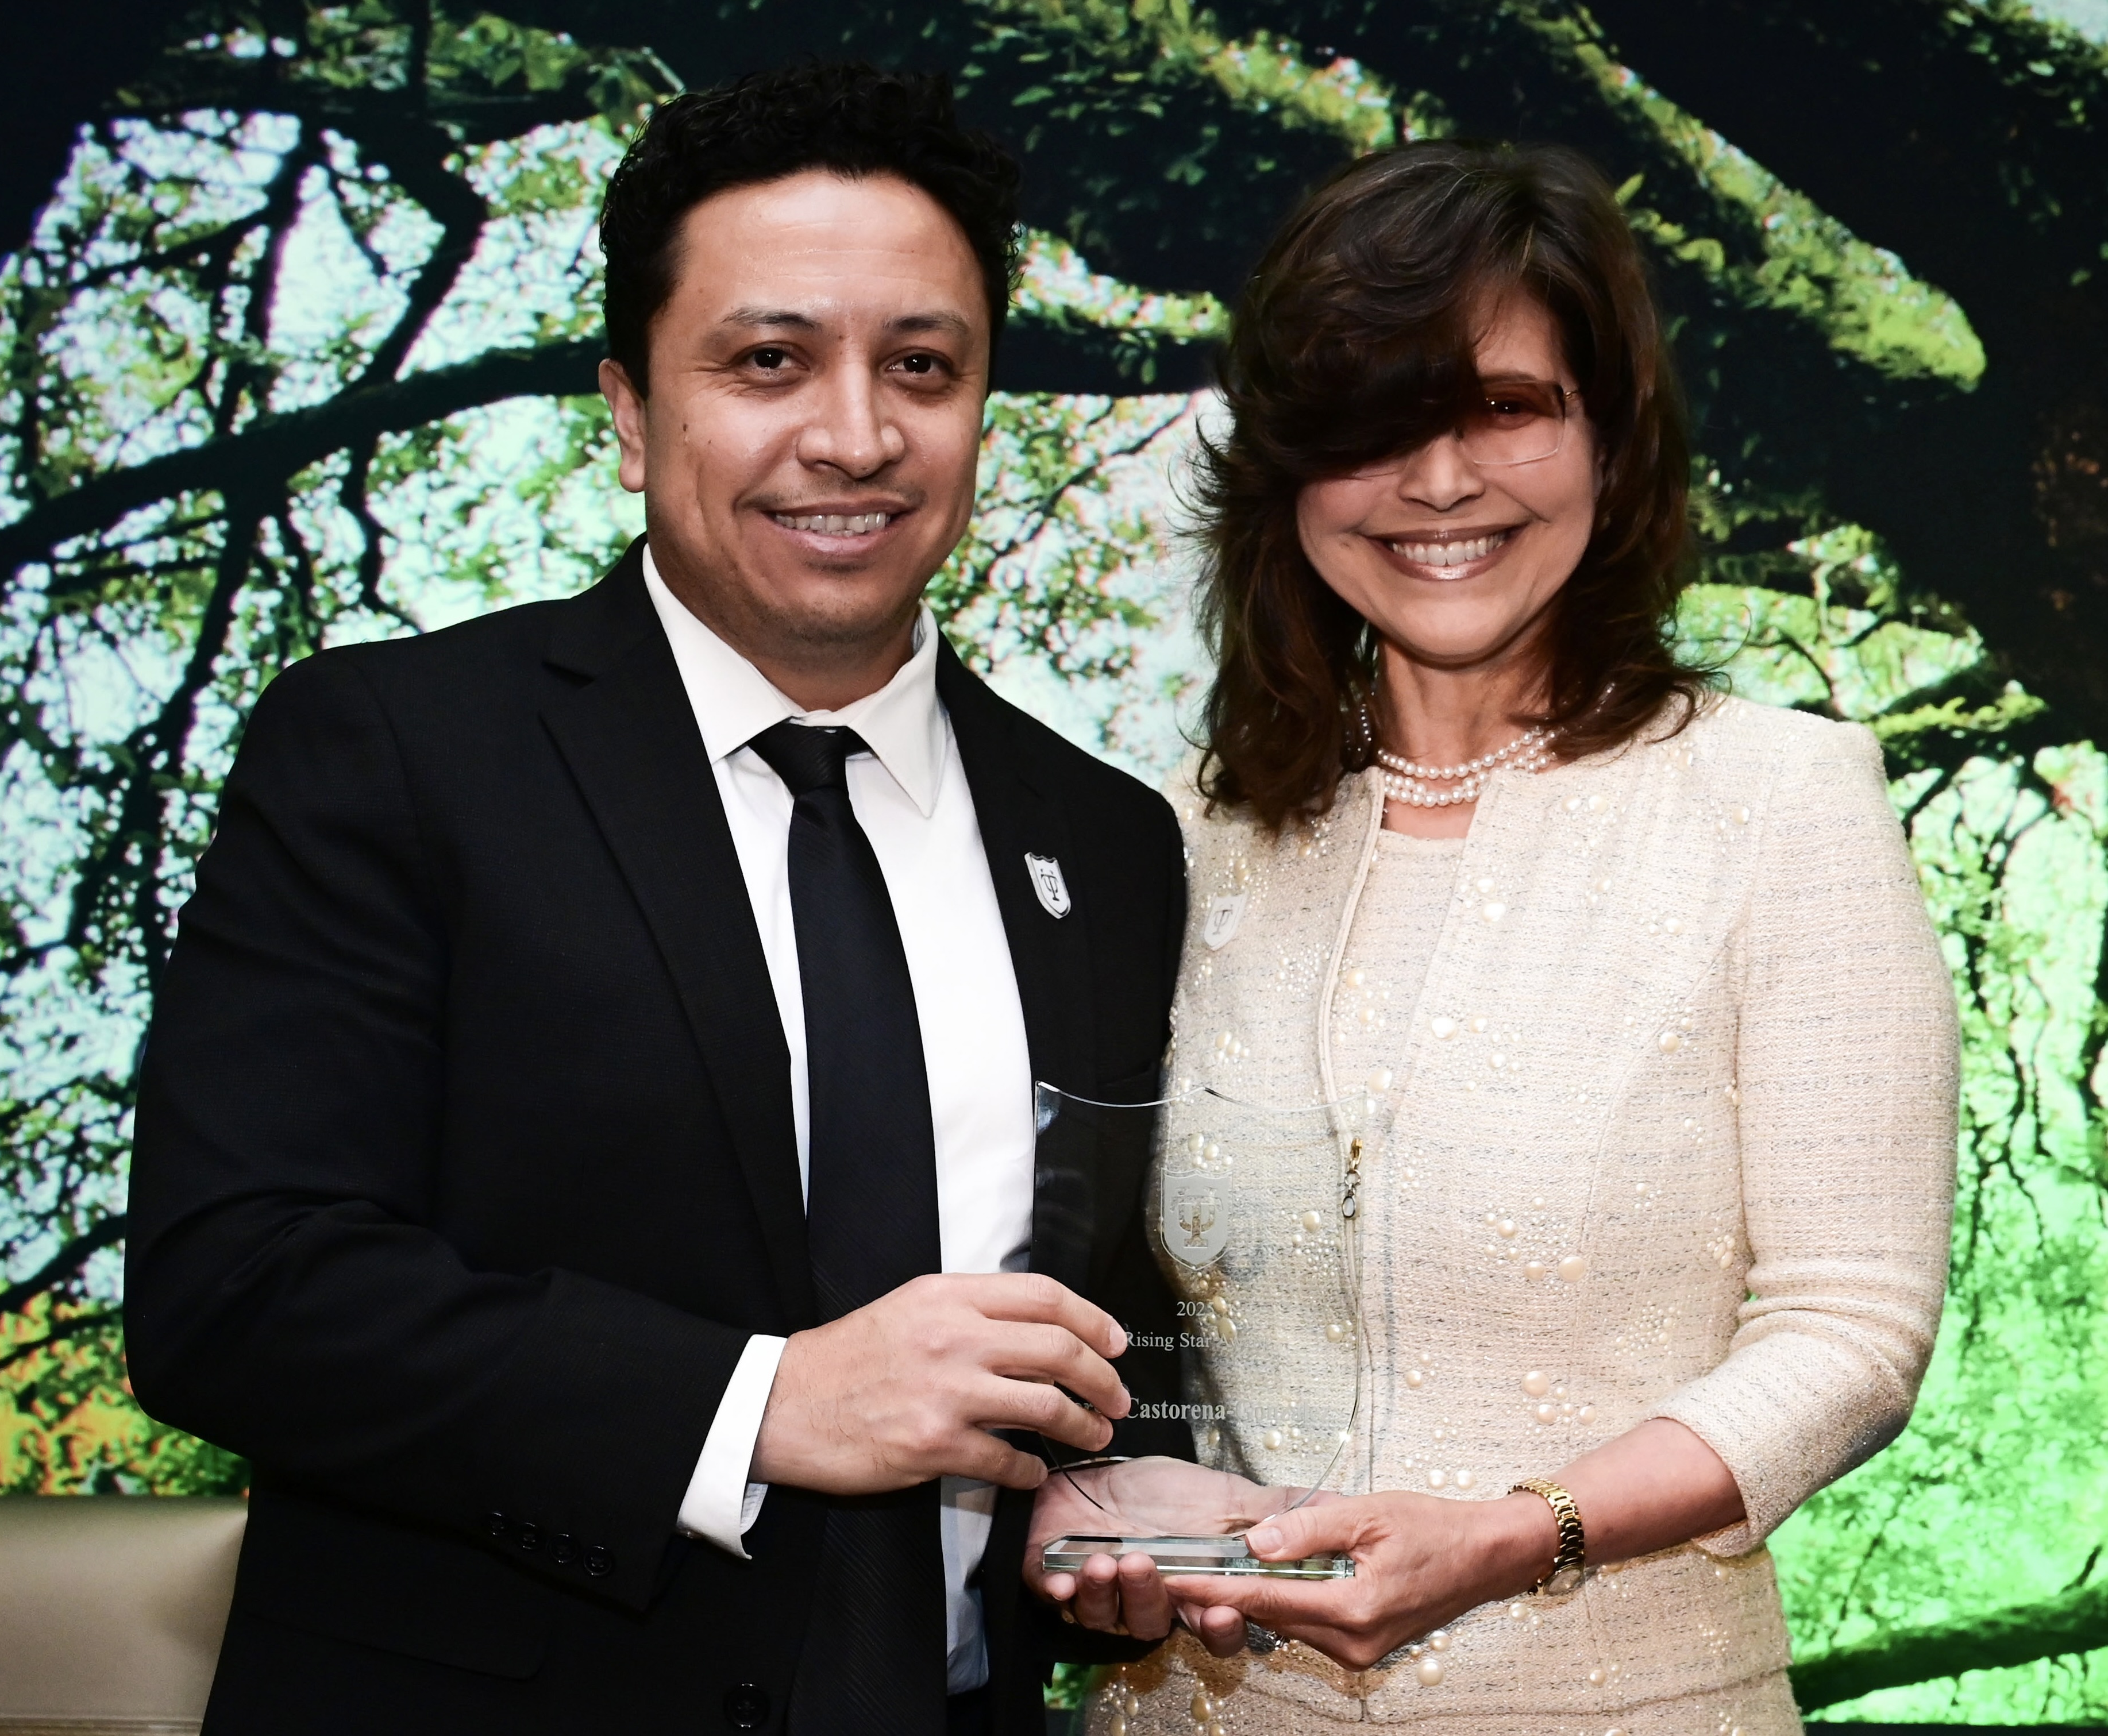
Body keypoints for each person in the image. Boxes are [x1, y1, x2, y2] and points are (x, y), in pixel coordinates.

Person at [125, 63, 1192, 1736]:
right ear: (629, 413)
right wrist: (762, 1402)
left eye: (924, 366)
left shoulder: (1108, 840)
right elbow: (236, 1293)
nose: (855, 432)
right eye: (769, 362)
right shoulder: (394, 752)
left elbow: (1095, 1318)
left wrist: (1120, 1502)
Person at [1026, 140, 1960, 1734]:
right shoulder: (1172, 838)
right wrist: (1094, 1497)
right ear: (1286, 474)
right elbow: (1108, 1298)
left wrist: (1525, 1534)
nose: (1442, 483)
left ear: (1611, 438)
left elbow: (1853, 1329)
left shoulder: (1779, 803)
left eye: (1508, 408)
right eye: (1373, 427)